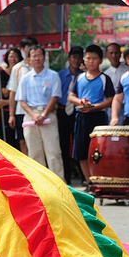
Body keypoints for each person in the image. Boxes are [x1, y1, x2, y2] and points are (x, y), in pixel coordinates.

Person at [68, 44, 115, 190]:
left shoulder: (104, 79)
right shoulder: (79, 77)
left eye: (94, 58)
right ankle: (89, 182)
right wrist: (80, 102)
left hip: (98, 118)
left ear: (100, 60)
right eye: (88, 58)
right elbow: (71, 96)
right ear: (84, 60)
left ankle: (99, 181)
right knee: (81, 151)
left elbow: (110, 100)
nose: (91, 61)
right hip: (81, 117)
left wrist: (94, 106)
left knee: (98, 152)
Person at [16, 44, 64, 179]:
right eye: (34, 56)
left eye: (39, 55)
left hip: (48, 115)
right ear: (29, 59)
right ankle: (40, 185)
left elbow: (55, 97)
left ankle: (60, 184)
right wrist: (33, 115)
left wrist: (43, 115)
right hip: (30, 118)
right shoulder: (25, 78)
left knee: (53, 152)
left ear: (44, 57)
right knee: (34, 153)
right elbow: (21, 100)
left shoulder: (53, 76)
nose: (37, 59)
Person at [7, 36, 39, 155]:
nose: (31, 50)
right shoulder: (17, 68)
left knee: (38, 141)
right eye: (28, 48)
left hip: (38, 109)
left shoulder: (40, 66)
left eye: (33, 47)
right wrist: (11, 114)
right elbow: (13, 91)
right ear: (23, 50)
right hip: (21, 111)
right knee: (23, 141)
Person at [57, 46, 83, 184]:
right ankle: (66, 176)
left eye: (79, 57)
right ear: (69, 59)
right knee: (63, 144)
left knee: (79, 142)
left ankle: (82, 175)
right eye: (74, 57)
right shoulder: (60, 76)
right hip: (62, 111)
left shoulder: (84, 75)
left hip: (79, 111)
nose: (76, 60)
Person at [104, 43, 129, 125]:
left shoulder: (128, 71)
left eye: (116, 53)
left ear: (120, 54)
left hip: (126, 110)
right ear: (106, 55)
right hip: (110, 111)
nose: (114, 56)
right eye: (111, 53)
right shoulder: (105, 75)